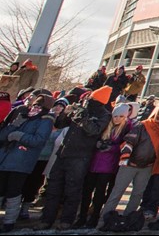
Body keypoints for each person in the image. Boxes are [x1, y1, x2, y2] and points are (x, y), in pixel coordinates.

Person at [39, 86, 112, 229]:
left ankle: (66, 220)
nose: (88, 100)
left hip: (81, 157)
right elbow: (60, 124)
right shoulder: (80, 108)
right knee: (53, 187)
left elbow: (94, 130)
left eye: (91, 98)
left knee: (73, 190)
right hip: (63, 153)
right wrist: (65, 114)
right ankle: (46, 219)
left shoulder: (104, 114)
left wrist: (82, 116)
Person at [99, 95, 159, 227]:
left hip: (147, 167)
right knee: (117, 191)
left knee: (137, 194)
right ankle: (106, 218)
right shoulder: (142, 126)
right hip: (130, 164)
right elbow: (130, 140)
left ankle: (129, 219)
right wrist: (126, 156)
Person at [0, 94, 52, 233]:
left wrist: (19, 136)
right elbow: (3, 135)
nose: (35, 108)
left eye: (39, 106)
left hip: (21, 162)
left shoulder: (45, 121)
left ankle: (9, 221)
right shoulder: (23, 117)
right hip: (5, 159)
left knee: (13, 191)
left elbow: (38, 140)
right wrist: (15, 125)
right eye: (34, 105)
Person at [77, 103, 132, 228]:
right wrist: (98, 144)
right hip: (94, 163)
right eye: (115, 116)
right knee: (87, 191)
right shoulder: (106, 126)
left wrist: (111, 148)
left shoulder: (126, 128)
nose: (117, 119)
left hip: (108, 166)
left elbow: (125, 145)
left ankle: (95, 217)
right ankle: (82, 216)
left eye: (121, 116)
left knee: (99, 193)